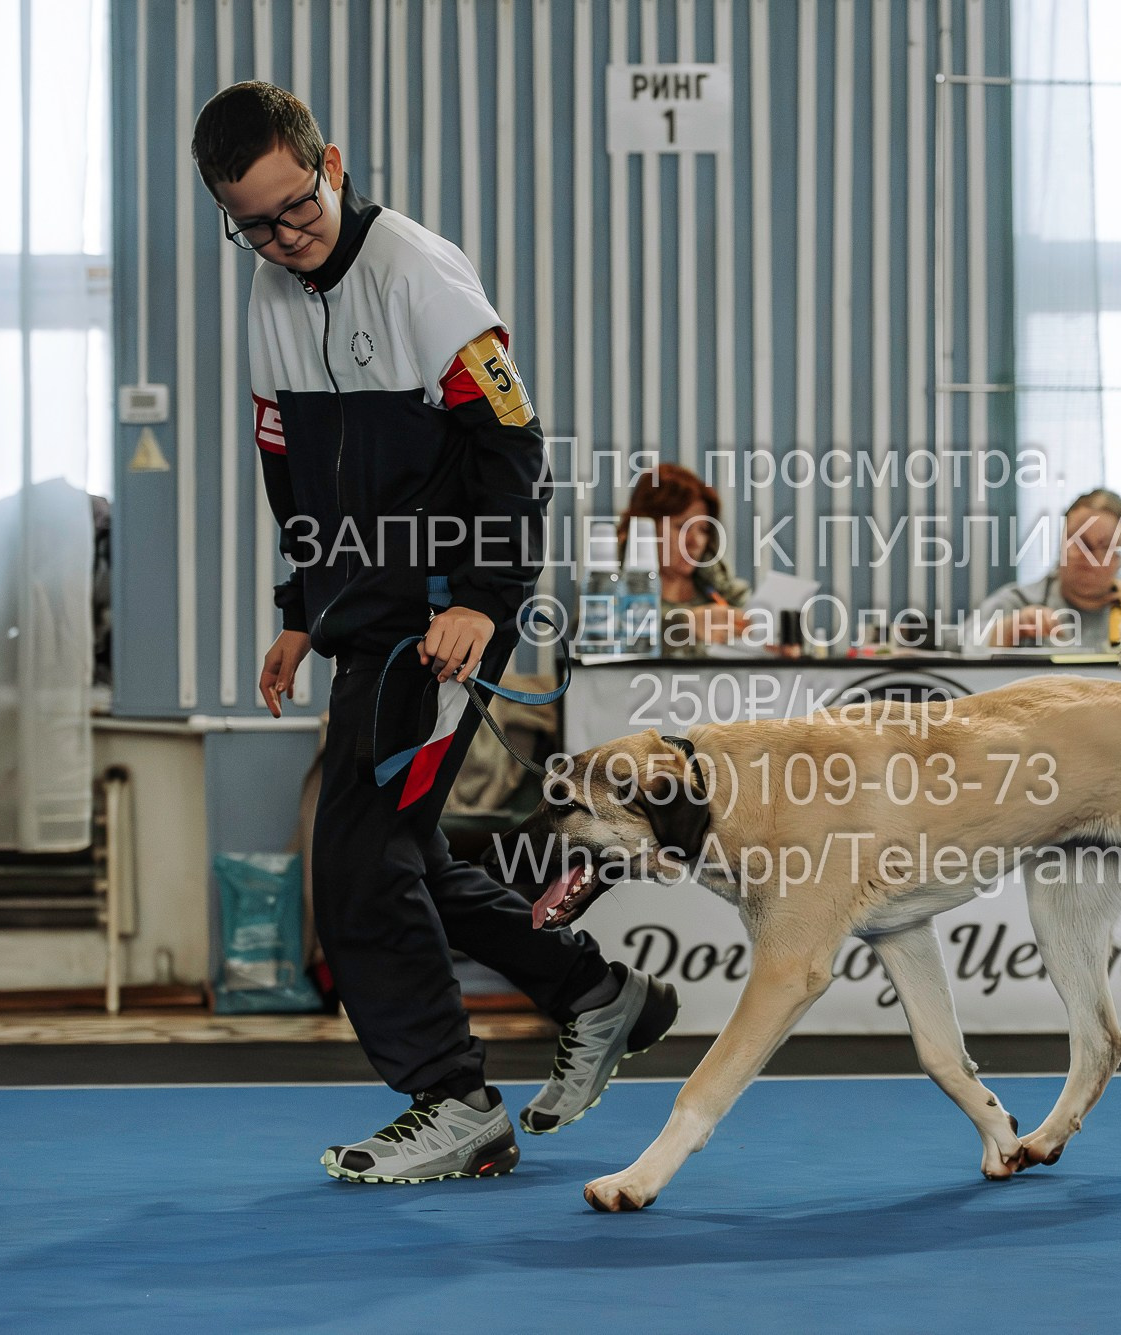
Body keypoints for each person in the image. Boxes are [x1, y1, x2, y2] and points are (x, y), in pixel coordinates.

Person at [193, 81, 676, 1184]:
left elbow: (511, 454)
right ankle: (598, 996)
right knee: (397, 856)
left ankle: (453, 1100)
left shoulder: (420, 274)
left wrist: (480, 598)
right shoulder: (270, 298)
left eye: (296, 205)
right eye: (253, 223)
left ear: (334, 163)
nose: (283, 236)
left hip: (444, 620)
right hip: (365, 620)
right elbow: (291, 476)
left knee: (358, 866)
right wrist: (299, 613)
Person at [978, 489, 1121, 649]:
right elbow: (957, 644)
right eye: (1079, 541)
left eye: (1106, 547)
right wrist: (1005, 631)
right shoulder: (1018, 603)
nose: (1089, 556)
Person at [618, 464, 756, 654]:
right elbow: (597, 641)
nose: (696, 541)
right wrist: (685, 626)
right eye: (682, 526)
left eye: (703, 530)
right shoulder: (611, 588)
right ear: (646, 528)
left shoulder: (726, 595)